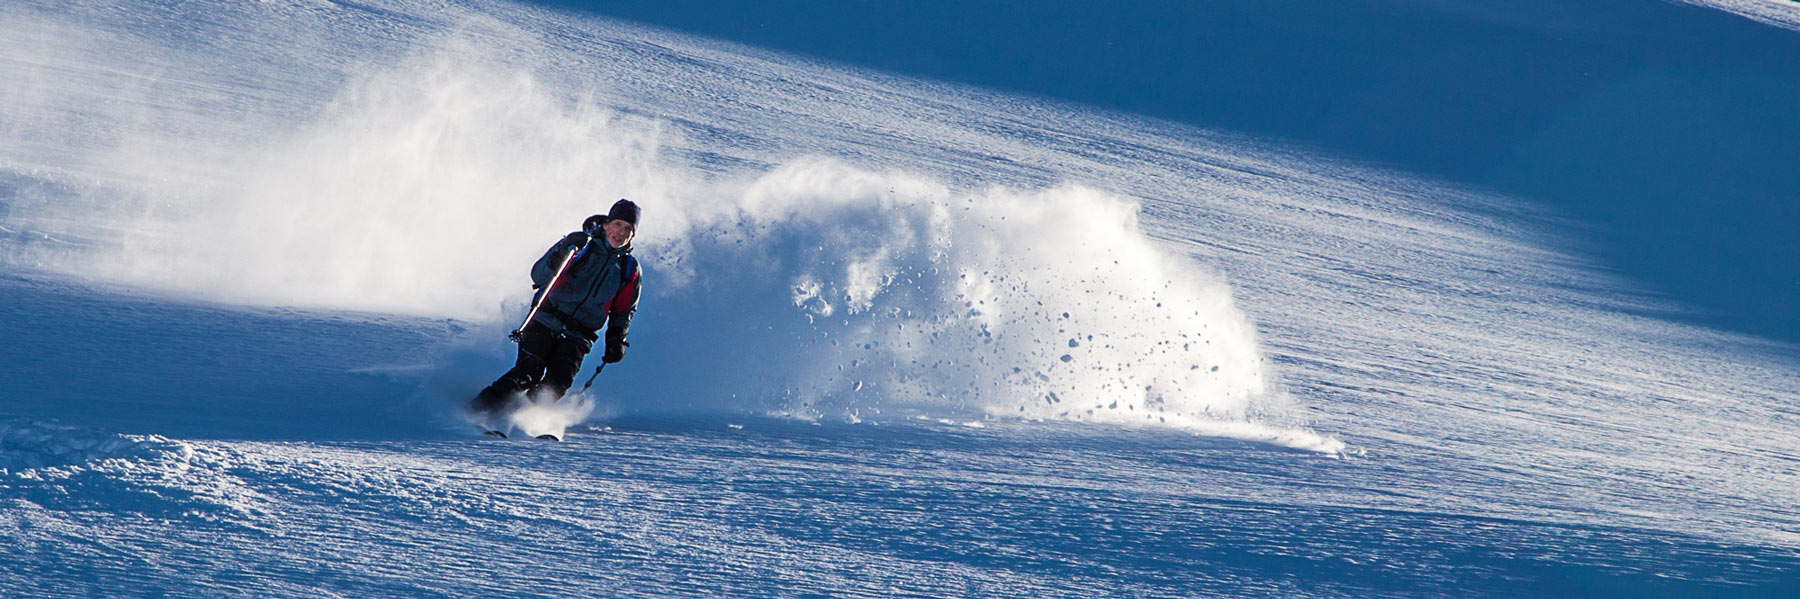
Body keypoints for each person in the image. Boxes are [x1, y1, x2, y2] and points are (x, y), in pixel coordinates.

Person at [470, 199, 642, 418]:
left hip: (580, 334)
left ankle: (512, 419)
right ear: (606, 224)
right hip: (545, 318)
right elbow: (539, 275)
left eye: (628, 229)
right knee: (528, 372)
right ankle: (477, 411)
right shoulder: (581, 246)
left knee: (556, 385)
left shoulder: (629, 269)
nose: (621, 232)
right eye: (618, 224)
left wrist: (616, 339)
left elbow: (624, 310)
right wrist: (562, 254)